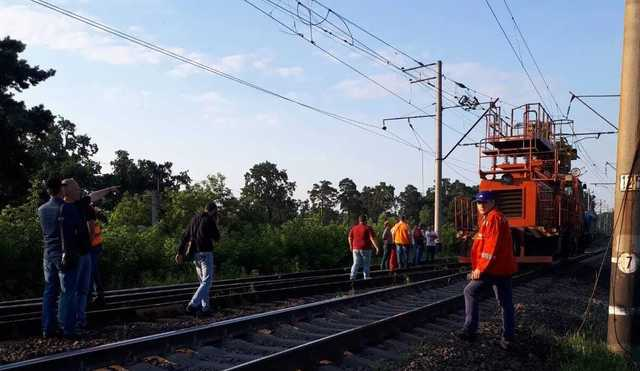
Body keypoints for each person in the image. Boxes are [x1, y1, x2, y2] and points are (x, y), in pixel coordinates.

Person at [456, 191, 517, 350]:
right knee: (505, 302)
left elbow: (491, 247)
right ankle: (508, 337)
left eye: (484, 202)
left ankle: (470, 329)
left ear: (492, 203)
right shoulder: (491, 218)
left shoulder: (493, 218)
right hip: (501, 268)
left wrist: (480, 269)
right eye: (478, 203)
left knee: (470, 292)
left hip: (493, 268)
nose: (481, 205)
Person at [37, 176, 84, 339]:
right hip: (66, 255)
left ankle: (48, 328)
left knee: (49, 291)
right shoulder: (68, 208)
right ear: (61, 189)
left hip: (48, 254)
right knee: (67, 292)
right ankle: (68, 329)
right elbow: (78, 231)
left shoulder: (41, 209)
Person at [176, 202, 221, 315]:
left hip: (195, 255)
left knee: (202, 282)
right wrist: (216, 223)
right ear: (213, 211)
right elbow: (217, 237)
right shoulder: (210, 220)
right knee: (207, 281)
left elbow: (185, 236)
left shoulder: (194, 219)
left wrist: (180, 252)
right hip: (206, 253)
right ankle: (193, 304)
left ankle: (205, 308)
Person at [348, 215, 379, 280]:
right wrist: (376, 247)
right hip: (365, 248)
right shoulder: (368, 228)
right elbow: (372, 238)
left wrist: (350, 246)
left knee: (356, 263)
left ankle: (352, 277)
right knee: (366, 264)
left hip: (355, 248)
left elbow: (349, 237)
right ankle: (366, 277)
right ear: (365, 220)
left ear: (359, 220)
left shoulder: (354, 228)